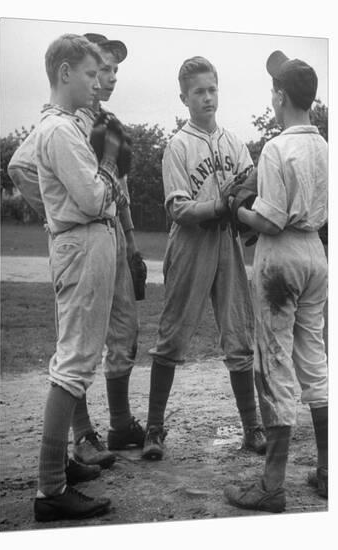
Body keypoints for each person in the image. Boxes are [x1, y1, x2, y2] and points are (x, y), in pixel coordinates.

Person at [8, 33, 144, 471]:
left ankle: (119, 425)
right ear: (76, 71)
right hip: (83, 233)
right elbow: (21, 167)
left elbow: (115, 190)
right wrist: (58, 214)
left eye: (112, 70)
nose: (107, 77)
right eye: (99, 68)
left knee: (121, 332)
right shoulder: (67, 121)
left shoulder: (103, 118)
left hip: (110, 234)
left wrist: (131, 242)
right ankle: (81, 438)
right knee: (79, 349)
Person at [142, 56, 266, 461]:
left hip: (226, 243)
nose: (207, 97)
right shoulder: (177, 145)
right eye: (199, 91)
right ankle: (154, 430)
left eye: (212, 89)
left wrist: (240, 198)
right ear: (184, 97)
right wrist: (222, 203)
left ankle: (251, 428)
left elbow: (251, 181)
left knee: (238, 333)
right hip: (190, 244)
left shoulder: (233, 140)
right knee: (173, 335)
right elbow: (178, 208)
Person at [224, 51, 328, 513]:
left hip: (281, 256)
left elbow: (268, 220)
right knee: (315, 359)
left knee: (277, 364)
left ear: (281, 97)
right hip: (316, 253)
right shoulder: (325, 145)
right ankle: (328, 472)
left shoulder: (276, 147)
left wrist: (236, 208)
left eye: (273, 89)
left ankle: (271, 485)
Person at [33, 33, 125, 522]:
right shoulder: (61, 130)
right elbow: (93, 199)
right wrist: (110, 163)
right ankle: (51, 490)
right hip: (82, 238)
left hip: (86, 239)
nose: (96, 83)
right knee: (73, 364)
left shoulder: (65, 126)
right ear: (64, 72)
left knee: (73, 357)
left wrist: (103, 182)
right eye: (90, 74)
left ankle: (60, 468)